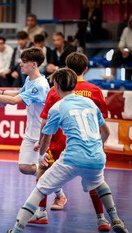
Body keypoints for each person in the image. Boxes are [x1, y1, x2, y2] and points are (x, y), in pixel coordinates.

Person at [6, 68, 129, 233]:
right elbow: (106, 132)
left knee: (41, 188)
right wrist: (95, 148)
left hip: (72, 158)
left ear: (56, 85)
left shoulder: (57, 107)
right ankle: (114, 219)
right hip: (97, 157)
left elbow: (46, 138)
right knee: (99, 183)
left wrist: (41, 155)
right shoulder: (89, 102)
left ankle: (16, 229)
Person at [29, 52, 110, 232]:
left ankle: (41, 213)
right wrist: (99, 146)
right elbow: (101, 123)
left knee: (42, 171)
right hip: (87, 147)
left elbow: (44, 121)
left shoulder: (54, 90)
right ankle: (102, 219)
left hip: (59, 145)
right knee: (95, 183)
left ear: (65, 66)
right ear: (86, 69)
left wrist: (41, 143)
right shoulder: (95, 91)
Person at [0, 47, 50, 177]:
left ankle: (58, 192)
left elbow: (14, 101)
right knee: (24, 167)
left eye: (24, 61)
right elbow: (18, 93)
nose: (20, 64)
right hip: (30, 132)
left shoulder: (39, 85)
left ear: (34, 64)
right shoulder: (30, 80)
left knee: (40, 169)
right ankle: (49, 175)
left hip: (41, 134)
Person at [103, 15, 132, 81]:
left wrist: (129, 51)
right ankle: (112, 75)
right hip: (126, 52)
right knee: (116, 53)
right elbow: (121, 42)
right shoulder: (126, 30)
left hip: (130, 52)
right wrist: (123, 51)